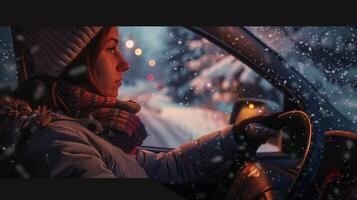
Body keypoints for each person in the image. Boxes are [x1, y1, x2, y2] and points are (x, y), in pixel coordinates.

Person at [0, 26, 278, 181]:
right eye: (110, 49)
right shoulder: (59, 144)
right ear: (74, 64)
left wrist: (236, 136)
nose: (124, 63)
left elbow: (169, 168)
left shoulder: (88, 132)